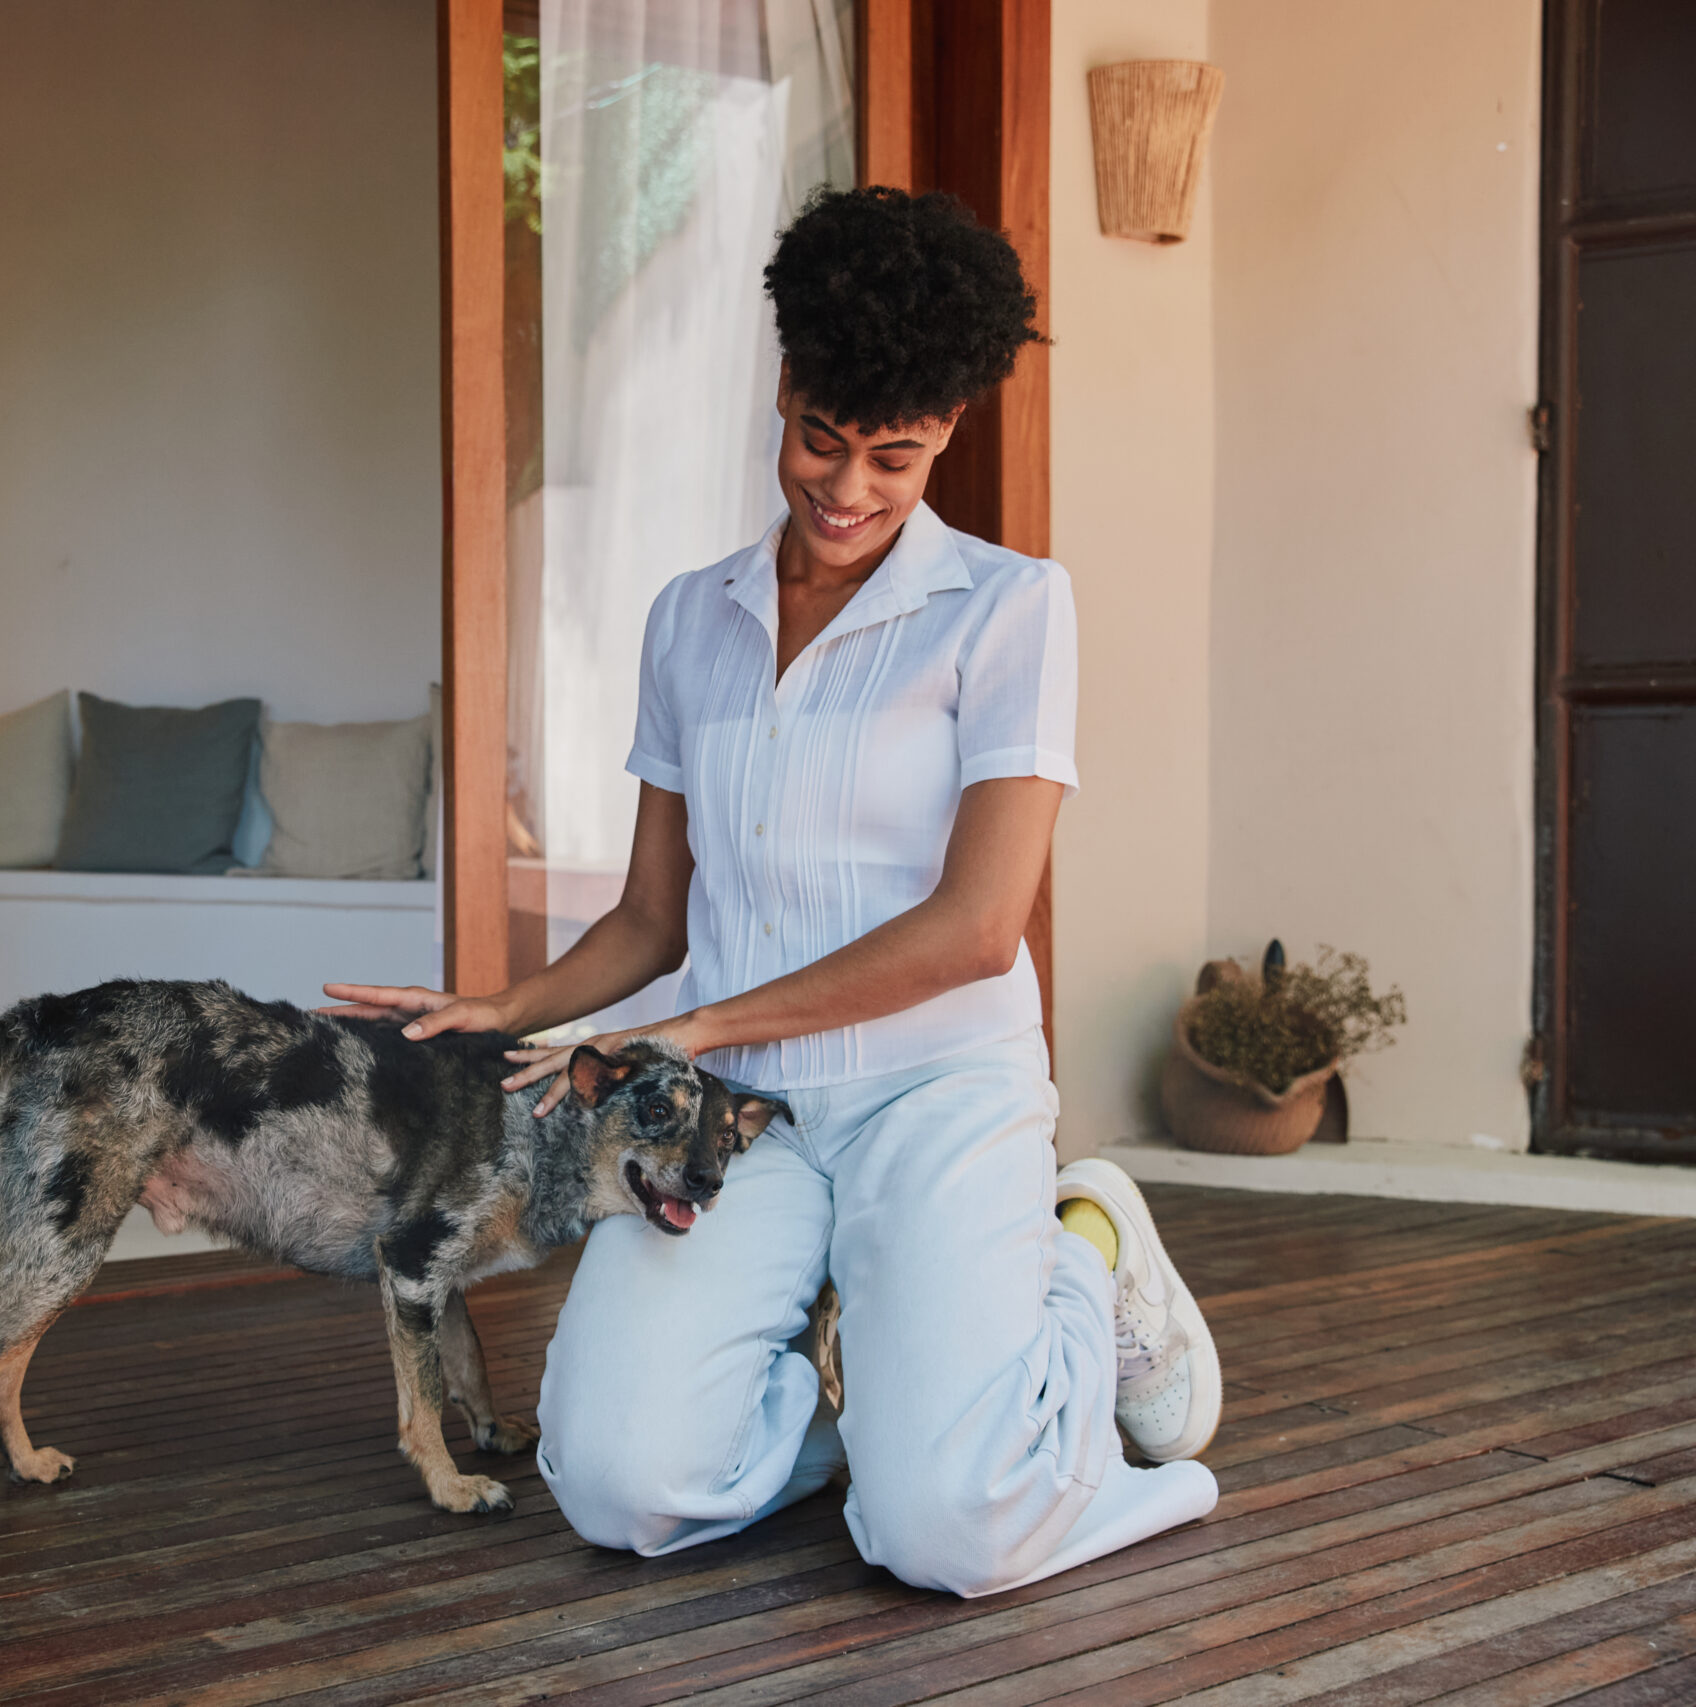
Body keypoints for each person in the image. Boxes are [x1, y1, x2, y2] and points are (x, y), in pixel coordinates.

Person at [323, 185, 1219, 1598]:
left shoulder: (1010, 607)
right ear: (786, 385)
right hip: (746, 1113)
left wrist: (692, 1032)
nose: (849, 489)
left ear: (949, 437)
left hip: (940, 1092)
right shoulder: (693, 618)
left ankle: (1083, 1263)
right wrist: (498, 1004)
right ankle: (880, 1402)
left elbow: (979, 929)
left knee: (950, 1537)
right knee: (618, 1484)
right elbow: (650, 922)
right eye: (823, 439)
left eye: (897, 457)